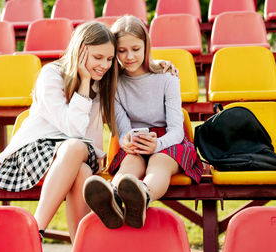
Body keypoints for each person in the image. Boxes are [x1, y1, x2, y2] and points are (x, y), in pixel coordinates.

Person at [0, 21, 119, 242]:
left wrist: (163, 65)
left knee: (82, 168)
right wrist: (84, 82)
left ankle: (55, 241)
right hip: (37, 150)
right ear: (80, 51)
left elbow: (139, 64)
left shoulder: (102, 82)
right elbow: (73, 129)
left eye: (109, 59)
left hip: (81, 153)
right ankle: (48, 233)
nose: (105, 65)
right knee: (80, 163)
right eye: (98, 57)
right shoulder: (51, 75)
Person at [83, 15, 203, 229]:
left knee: (159, 164)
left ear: (146, 46)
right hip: (136, 139)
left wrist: (158, 144)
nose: (129, 56)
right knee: (130, 164)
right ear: (114, 51)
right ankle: (113, 196)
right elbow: (122, 128)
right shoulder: (114, 84)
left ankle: (143, 196)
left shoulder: (168, 78)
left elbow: (176, 129)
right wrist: (126, 140)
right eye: (121, 51)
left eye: (136, 49)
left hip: (168, 140)